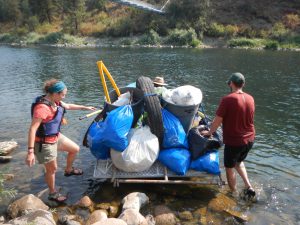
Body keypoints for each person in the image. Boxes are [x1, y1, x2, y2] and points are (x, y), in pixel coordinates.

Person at [26, 79, 96, 203]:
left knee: (75, 149)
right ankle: (52, 193)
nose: (64, 96)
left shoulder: (55, 101)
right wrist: (30, 152)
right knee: (52, 169)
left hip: (55, 136)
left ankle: (68, 170)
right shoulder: (42, 108)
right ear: (54, 93)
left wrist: (85, 107)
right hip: (44, 143)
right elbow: (32, 129)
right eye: (63, 94)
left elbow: (68, 106)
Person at [201, 72, 256, 199]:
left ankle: (233, 193)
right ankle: (249, 186)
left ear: (231, 83)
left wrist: (209, 132)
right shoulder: (250, 98)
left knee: (229, 167)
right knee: (239, 162)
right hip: (250, 139)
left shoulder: (228, 99)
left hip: (235, 141)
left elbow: (217, 120)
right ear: (243, 84)